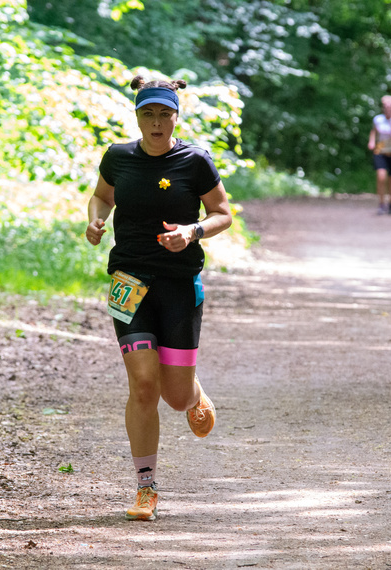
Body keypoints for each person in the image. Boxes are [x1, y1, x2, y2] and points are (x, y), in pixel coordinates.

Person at [85, 75, 233, 521]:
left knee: (173, 395)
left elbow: (223, 213)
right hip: (127, 281)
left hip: (178, 284)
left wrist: (193, 232)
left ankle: (193, 393)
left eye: (163, 114)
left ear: (176, 116)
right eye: (147, 114)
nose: (156, 123)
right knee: (143, 385)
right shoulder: (118, 158)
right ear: (137, 117)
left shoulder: (196, 162)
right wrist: (95, 222)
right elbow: (100, 198)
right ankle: (145, 488)